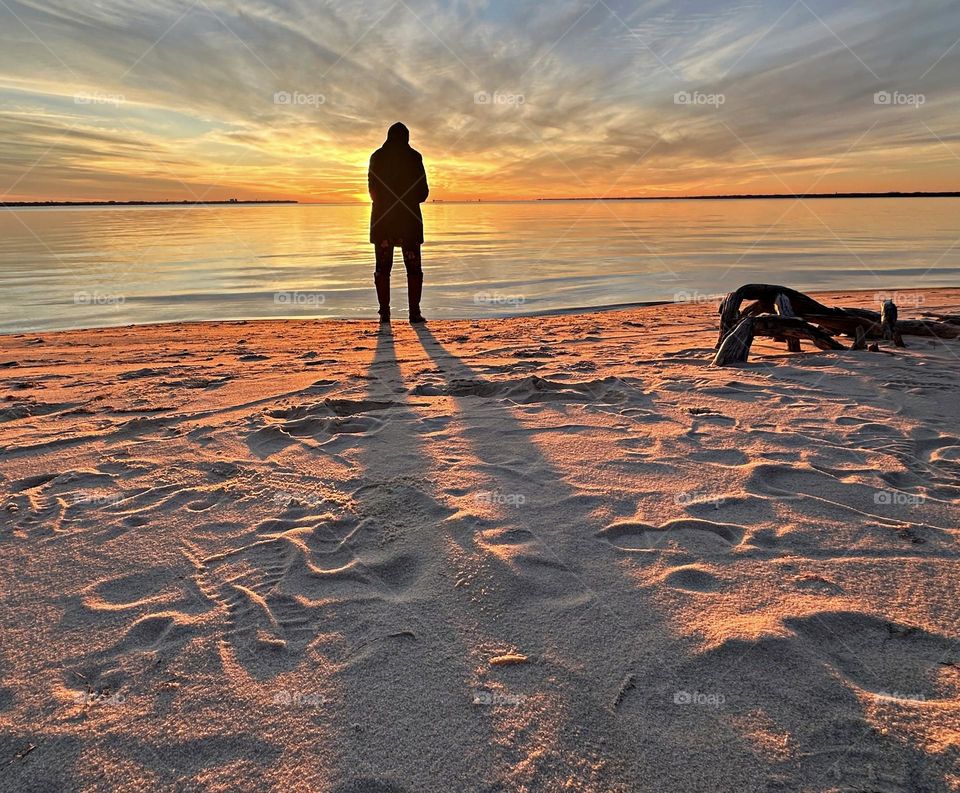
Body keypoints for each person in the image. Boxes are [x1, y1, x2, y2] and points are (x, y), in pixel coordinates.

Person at [368, 122, 429, 324]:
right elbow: (423, 193)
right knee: (413, 268)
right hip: (408, 221)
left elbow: (373, 193)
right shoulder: (414, 157)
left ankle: (384, 314)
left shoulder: (376, 157)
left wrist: (388, 201)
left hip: (382, 221)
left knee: (382, 268)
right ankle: (414, 313)